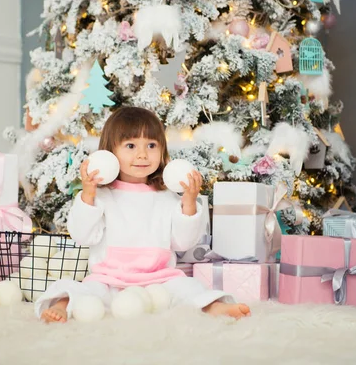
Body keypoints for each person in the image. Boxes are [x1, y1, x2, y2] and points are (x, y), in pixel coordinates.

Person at [35, 106, 251, 323]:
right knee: (83, 290)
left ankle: (214, 307)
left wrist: (189, 202)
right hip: (110, 280)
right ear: (109, 153)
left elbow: (183, 242)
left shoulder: (167, 197)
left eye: (151, 145)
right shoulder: (101, 196)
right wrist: (88, 195)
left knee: (189, 286)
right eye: (130, 145)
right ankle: (62, 305)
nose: (142, 154)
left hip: (159, 281)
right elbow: (82, 235)